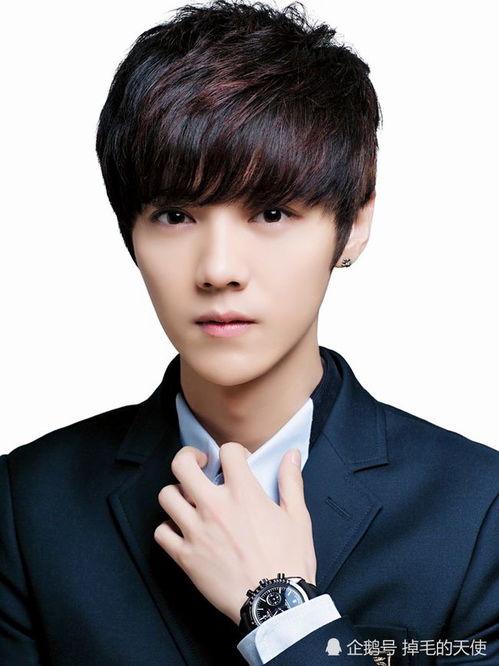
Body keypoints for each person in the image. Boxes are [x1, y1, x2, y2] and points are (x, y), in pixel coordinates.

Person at [1, 1, 498, 664]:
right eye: (175, 215)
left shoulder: (478, 510)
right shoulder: (29, 504)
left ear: (354, 223)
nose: (218, 269)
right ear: (129, 232)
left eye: (271, 212)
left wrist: (284, 614)